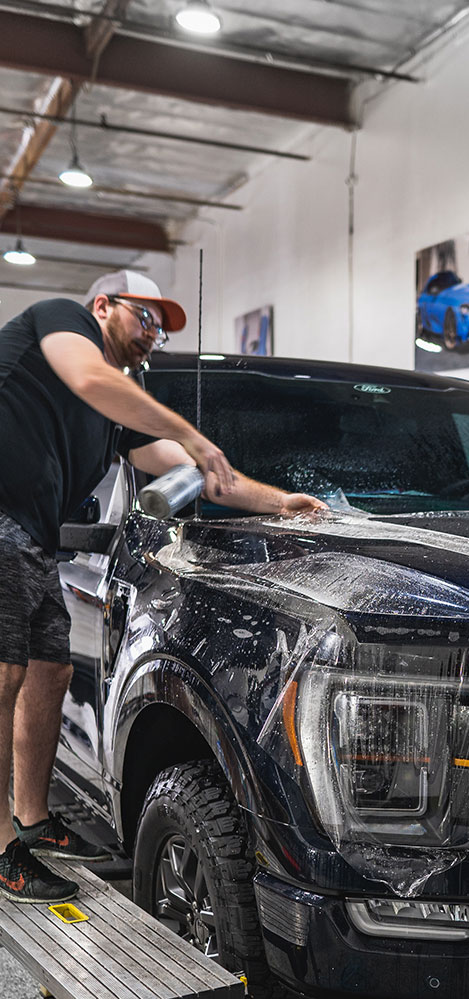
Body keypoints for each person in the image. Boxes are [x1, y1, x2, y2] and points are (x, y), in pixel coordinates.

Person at [0, 270, 324, 905]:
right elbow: (94, 380)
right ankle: (2, 855)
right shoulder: (61, 319)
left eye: (163, 327)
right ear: (104, 306)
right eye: (145, 318)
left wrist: (282, 502)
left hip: (31, 540)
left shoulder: (114, 421)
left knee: (50, 673)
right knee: (3, 681)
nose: (155, 334)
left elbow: (205, 479)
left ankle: (33, 823)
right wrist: (195, 435)